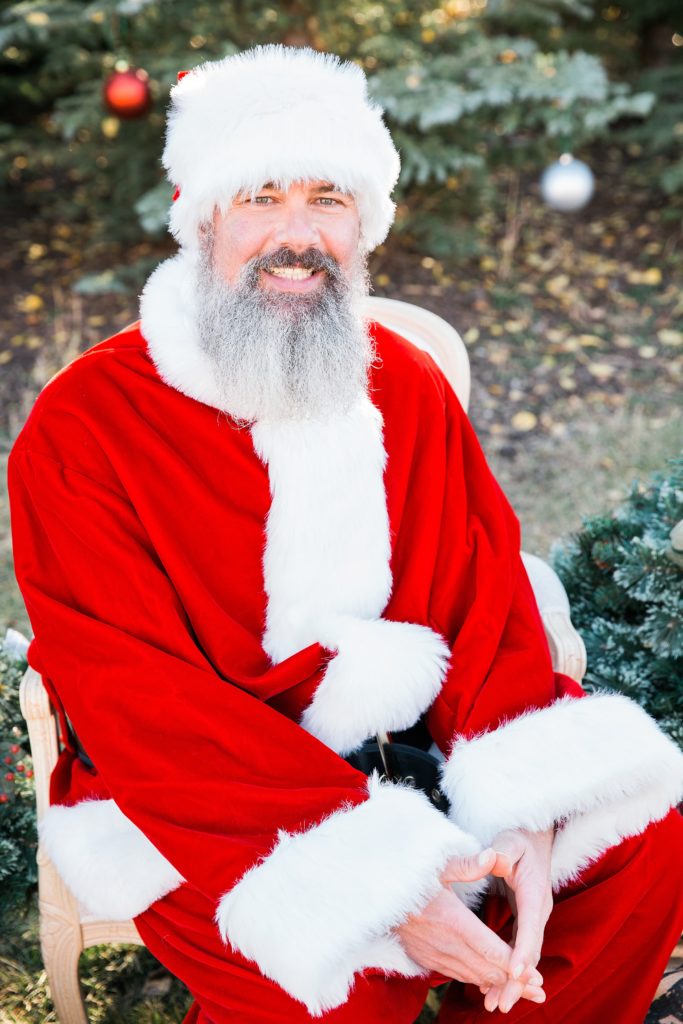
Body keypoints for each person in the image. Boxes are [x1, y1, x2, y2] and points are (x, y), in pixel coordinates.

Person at [8, 44, 683, 1024]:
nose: (297, 234)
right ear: (200, 219)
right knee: (341, 971)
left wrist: (525, 818)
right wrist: (386, 884)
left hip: (419, 753)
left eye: (327, 198)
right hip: (208, 796)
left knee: (634, 847)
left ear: (362, 222)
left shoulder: (402, 383)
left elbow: (483, 604)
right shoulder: (84, 427)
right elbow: (136, 702)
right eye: (260, 198)